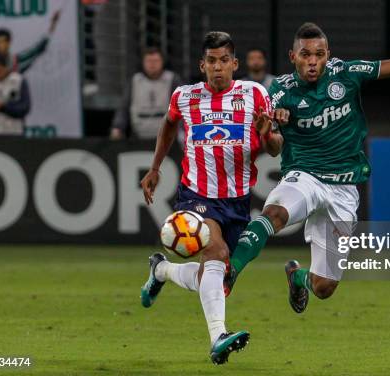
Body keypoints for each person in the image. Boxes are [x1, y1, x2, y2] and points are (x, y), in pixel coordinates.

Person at [224, 22, 390, 313]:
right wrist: (268, 131)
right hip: (305, 176)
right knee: (275, 213)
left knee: (324, 287)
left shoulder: (347, 73)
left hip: (343, 189)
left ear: (328, 55)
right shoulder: (280, 91)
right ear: (293, 58)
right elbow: (274, 148)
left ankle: (297, 276)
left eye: (319, 54)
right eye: (305, 55)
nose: (313, 61)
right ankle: (232, 269)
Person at [138, 31, 282, 364]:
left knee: (213, 272)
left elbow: (276, 146)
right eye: (211, 62)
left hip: (237, 200)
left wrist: (268, 135)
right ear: (202, 65)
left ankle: (162, 272)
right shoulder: (185, 96)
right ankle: (218, 336)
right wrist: (156, 167)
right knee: (215, 253)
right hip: (197, 196)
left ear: (235, 64)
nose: (218, 68)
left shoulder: (255, 94)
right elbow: (168, 125)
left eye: (224, 61)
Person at [110, 47, 182, 140]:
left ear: (162, 62)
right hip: (138, 135)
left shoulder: (173, 80)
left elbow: (182, 107)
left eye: (156, 61)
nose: (152, 64)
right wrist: (117, 127)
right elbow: (124, 107)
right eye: (148, 61)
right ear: (143, 63)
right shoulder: (135, 80)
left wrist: (182, 131)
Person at [0, 11, 60, 75]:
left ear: (9, 42)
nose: (0, 45)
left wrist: (53, 25)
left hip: (12, 104)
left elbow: (38, 49)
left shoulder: (17, 61)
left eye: (3, 41)